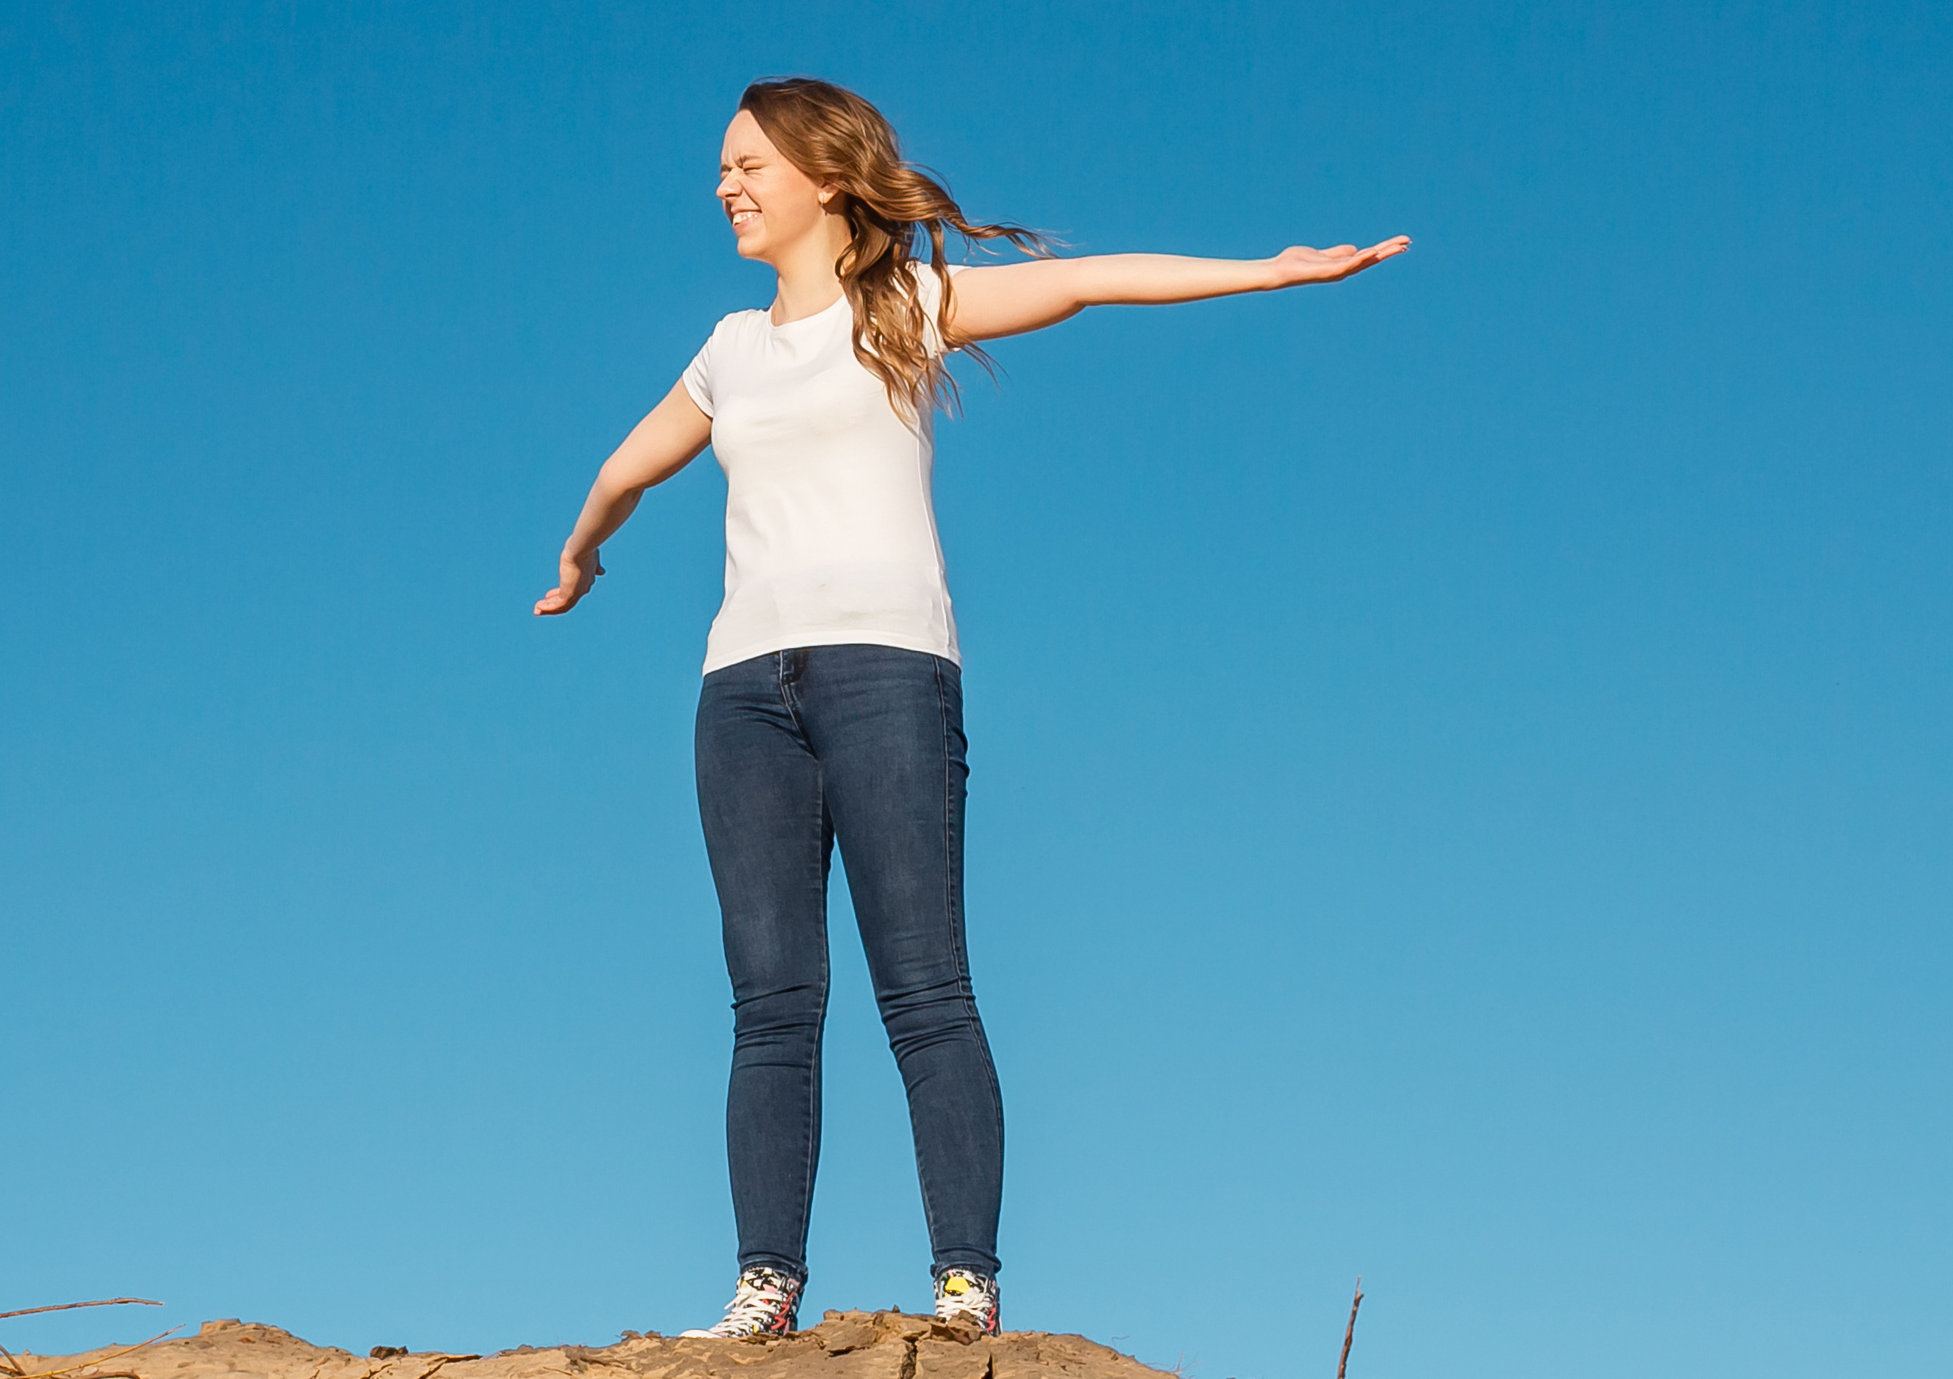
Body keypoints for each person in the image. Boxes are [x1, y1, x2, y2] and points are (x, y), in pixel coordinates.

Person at [534, 78, 1407, 1338]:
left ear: (825, 178)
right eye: (720, 167)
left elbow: (1093, 279)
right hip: (741, 694)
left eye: (747, 163)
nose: (724, 184)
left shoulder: (907, 305)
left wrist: (1270, 272)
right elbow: (627, 465)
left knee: (925, 986)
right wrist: (583, 549)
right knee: (770, 1001)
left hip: (887, 672)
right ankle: (763, 1286)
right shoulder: (729, 349)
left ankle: (964, 1283)